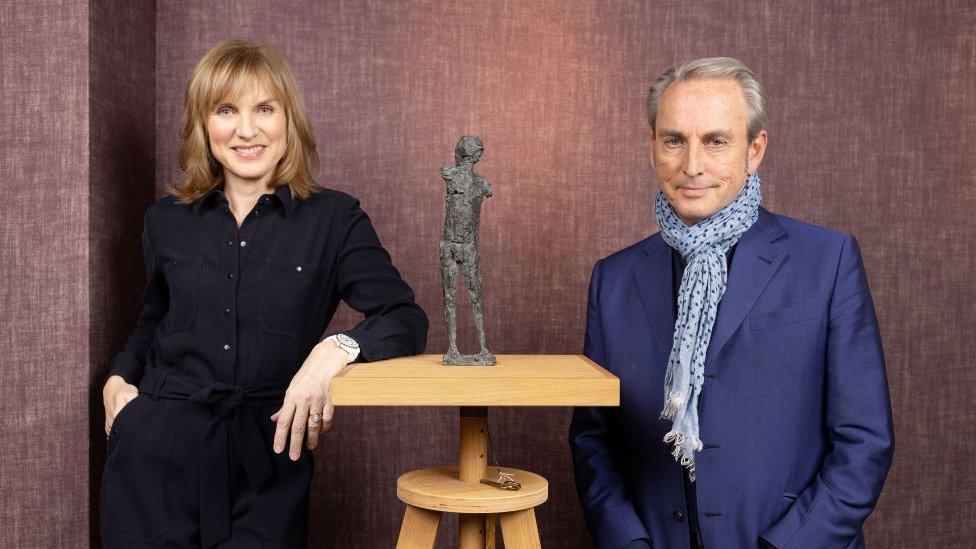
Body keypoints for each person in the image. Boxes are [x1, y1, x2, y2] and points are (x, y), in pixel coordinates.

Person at [99, 39, 428, 548]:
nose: (247, 130)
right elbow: (154, 318)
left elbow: (403, 317)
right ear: (203, 125)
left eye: (264, 109)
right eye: (226, 110)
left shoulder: (336, 220)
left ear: (287, 120)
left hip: (269, 456)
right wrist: (119, 380)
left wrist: (332, 353)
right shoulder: (165, 220)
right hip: (154, 453)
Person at [569, 57, 893, 549]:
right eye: (674, 140)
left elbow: (864, 443)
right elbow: (594, 443)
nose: (692, 165)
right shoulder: (613, 279)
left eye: (715, 141)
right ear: (653, 147)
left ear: (754, 149)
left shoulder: (827, 261)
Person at [439, 136, 494, 364]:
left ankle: (482, 347)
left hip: (469, 247)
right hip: (450, 246)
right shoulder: (449, 175)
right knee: (450, 296)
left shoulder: (482, 184)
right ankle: (453, 347)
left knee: (475, 297)